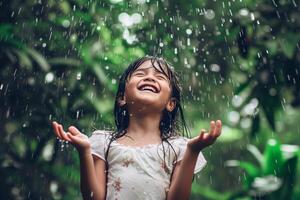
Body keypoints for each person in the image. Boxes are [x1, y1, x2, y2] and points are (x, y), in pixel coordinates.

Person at [52, 56, 222, 200]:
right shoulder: (104, 142)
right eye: (140, 74)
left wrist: (192, 151)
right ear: (122, 98)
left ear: (171, 104)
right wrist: (84, 152)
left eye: (160, 77)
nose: (150, 77)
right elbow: (93, 197)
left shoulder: (179, 148)